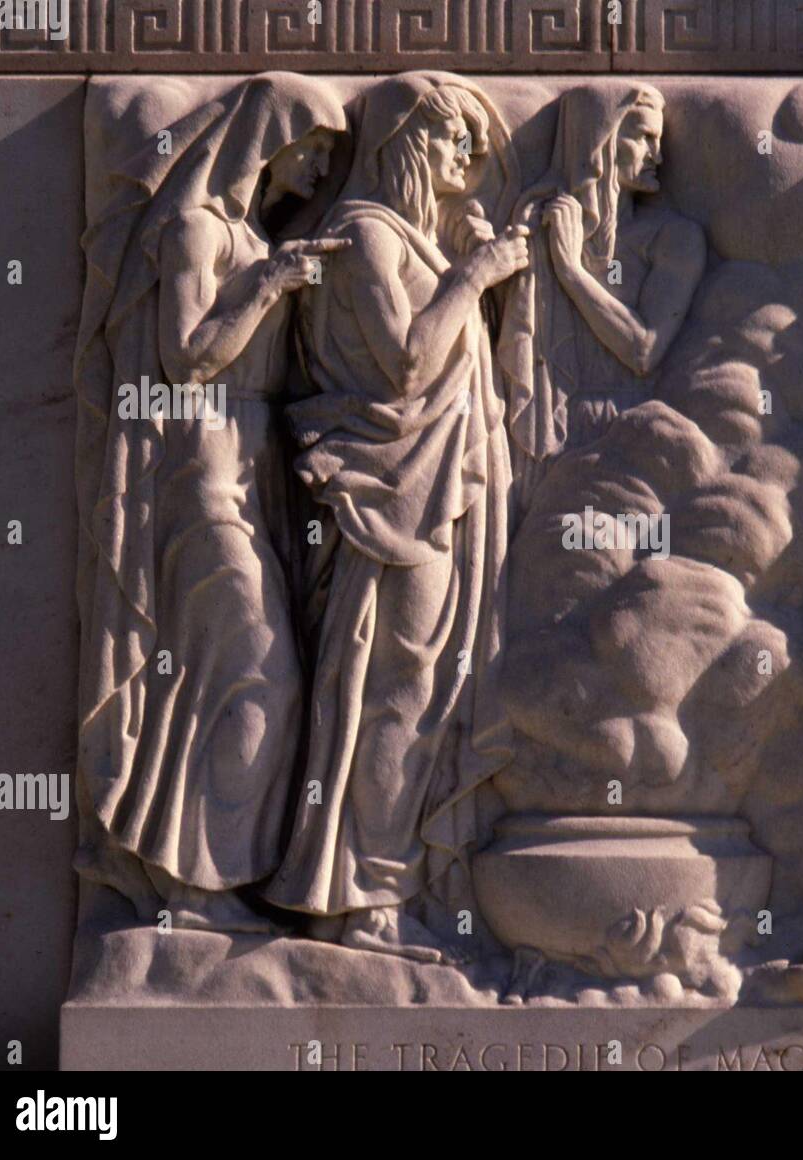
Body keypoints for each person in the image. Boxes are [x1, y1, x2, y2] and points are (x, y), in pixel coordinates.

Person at [74, 74, 350, 931]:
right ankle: (193, 886)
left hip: (254, 469)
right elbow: (188, 356)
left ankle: (194, 885)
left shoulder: (250, 233)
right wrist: (270, 284)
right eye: (311, 153)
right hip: (199, 474)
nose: (314, 176)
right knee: (254, 671)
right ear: (271, 139)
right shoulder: (196, 230)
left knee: (221, 678)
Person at [264, 73, 525, 962]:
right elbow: (409, 366)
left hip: (434, 495)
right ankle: (360, 899)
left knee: (423, 695)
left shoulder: (406, 238)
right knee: (394, 693)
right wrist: (476, 275)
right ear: (408, 135)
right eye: (455, 139)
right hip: (393, 502)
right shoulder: (363, 235)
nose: (468, 159)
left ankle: (388, 887)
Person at [498, 82, 706, 512]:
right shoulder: (543, 224)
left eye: (659, 140)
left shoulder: (674, 238)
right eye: (644, 137)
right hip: (555, 449)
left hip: (628, 447)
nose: (659, 155)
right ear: (601, 141)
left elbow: (643, 348)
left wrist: (572, 272)